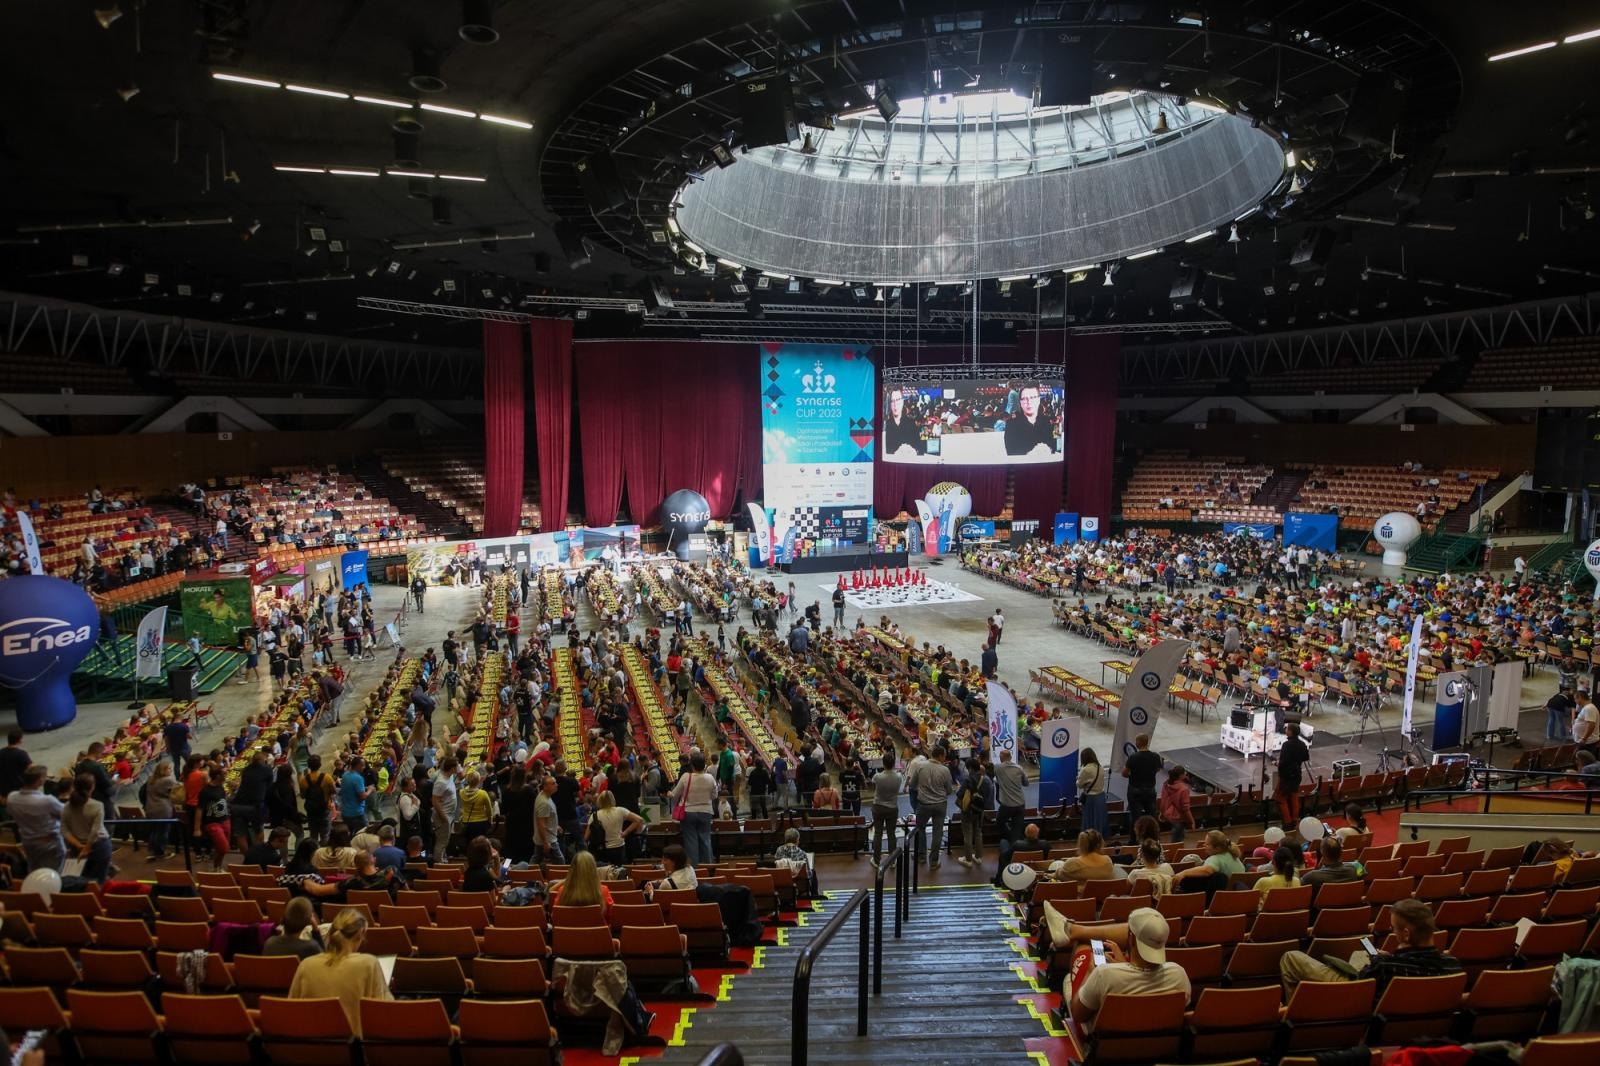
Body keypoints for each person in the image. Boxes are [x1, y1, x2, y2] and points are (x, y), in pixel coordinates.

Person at [1279, 898, 1462, 998]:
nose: (1392, 931)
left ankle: (1299, 1012)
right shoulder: (1453, 966)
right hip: (1410, 1017)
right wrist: (1390, 956)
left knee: (1290, 957)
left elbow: (1363, 981)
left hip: (1357, 993)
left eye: (1393, 928)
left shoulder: (1386, 967)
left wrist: (1381, 961)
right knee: (1361, 953)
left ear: (1406, 934)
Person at [1068, 908, 1191, 1032]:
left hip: (1108, 1047)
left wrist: (1090, 972)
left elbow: (1078, 1015)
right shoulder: (1179, 974)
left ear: (1131, 938)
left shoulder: (1104, 974)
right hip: (1159, 1047)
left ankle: (1073, 931)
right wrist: (1125, 965)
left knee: (1082, 946)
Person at [288, 909, 393, 1035]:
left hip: (311, 1047)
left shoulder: (306, 964)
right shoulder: (369, 963)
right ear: (361, 933)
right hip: (354, 1048)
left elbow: (292, 1010)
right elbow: (386, 1012)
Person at [8, 765, 64, 874]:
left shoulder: (12, 797)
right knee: (54, 873)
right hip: (49, 843)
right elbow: (65, 815)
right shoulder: (46, 801)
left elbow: (12, 813)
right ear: (40, 780)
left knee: (34, 871)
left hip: (27, 841)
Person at [61, 772, 113, 883]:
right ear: (92, 787)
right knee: (99, 880)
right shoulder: (97, 805)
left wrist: (79, 845)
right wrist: (87, 847)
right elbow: (95, 830)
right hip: (98, 846)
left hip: (76, 847)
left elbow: (64, 830)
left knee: (79, 880)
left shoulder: (67, 806)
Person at [910, 744, 954, 870]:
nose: (945, 758)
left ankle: (921, 856)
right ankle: (934, 861)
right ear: (940, 756)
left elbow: (912, 785)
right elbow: (950, 791)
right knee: (937, 832)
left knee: (920, 828)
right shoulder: (945, 770)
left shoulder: (920, 766)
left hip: (923, 804)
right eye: (944, 755)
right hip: (940, 805)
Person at [670, 751, 719, 865]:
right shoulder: (710, 778)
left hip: (688, 812)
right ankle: (708, 868)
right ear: (704, 764)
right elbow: (714, 795)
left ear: (691, 765)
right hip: (706, 812)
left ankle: (694, 869)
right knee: (705, 840)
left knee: (691, 841)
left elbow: (675, 794)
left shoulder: (686, 777)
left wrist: (669, 794)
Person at [1170, 830, 1245, 896]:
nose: (1204, 845)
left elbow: (1207, 870)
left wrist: (1184, 873)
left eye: (1207, 844)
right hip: (1236, 895)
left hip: (1222, 897)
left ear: (1217, 848)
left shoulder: (1215, 859)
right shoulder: (1232, 854)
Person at [550, 850, 615, 924]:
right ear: (593, 869)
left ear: (572, 869)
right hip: (597, 935)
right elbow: (610, 918)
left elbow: (555, 917)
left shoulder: (562, 890)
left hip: (568, 934)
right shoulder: (603, 890)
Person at [590, 790, 644, 866]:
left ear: (600, 800)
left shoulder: (595, 815)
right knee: (618, 872)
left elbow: (586, 836)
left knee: (603, 872)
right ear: (613, 799)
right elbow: (639, 820)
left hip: (602, 848)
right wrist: (625, 832)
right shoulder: (620, 810)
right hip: (618, 846)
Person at [957, 757, 993, 870]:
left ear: (971, 768)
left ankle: (968, 859)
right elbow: (987, 796)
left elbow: (959, 795)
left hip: (968, 811)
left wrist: (960, 788)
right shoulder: (986, 780)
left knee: (967, 834)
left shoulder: (968, 780)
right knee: (978, 833)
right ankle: (978, 857)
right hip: (980, 810)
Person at [1003, 383, 1058, 457]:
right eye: (1024, 398)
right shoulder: (1011, 424)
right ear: (1020, 402)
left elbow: (1055, 446)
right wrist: (1032, 453)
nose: (1028, 402)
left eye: (1032, 397)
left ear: (1038, 400)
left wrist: (1048, 449)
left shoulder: (1047, 422)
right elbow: (1011, 452)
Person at [993, 748, 1027, 865]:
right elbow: (1026, 783)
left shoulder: (997, 768)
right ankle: (1016, 853)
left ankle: (1009, 844)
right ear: (1011, 757)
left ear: (1002, 758)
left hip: (1007, 805)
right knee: (1017, 829)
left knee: (999, 823)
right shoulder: (1020, 768)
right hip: (1021, 804)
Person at [1121, 733, 1161, 829]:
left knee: (1135, 817)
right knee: (1152, 815)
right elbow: (1158, 769)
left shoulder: (1133, 757)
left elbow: (1124, 773)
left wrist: (1133, 775)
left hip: (1135, 790)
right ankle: (1154, 836)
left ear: (1138, 743)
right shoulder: (1155, 756)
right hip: (1150, 789)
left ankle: (1134, 840)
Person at [1275, 722, 1310, 825]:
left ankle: (1287, 821)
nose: (1285, 730)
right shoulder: (1302, 744)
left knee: (1280, 798)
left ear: (1290, 732)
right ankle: (1295, 819)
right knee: (1294, 797)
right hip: (1297, 775)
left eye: (1287, 729)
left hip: (1286, 776)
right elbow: (1306, 757)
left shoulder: (1286, 745)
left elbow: (1283, 762)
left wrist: (1277, 764)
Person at [1057, 830, 1124, 883]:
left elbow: (1059, 875)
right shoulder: (1108, 861)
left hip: (1079, 899)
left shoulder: (1072, 863)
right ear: (1099, 844)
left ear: (1081, 845)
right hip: (1103, 898)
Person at [870, 754, 902, 856]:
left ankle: (876, 859)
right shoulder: (899, 777)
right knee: (891, 834)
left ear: (883, 764)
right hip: (892, 808)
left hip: (878, 807)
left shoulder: (877, 777)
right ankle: (892, 860)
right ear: (893, 764)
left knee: (878, 833)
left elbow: (873, 786)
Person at [883, 388, 926, 456]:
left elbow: (919, 448)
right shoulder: (886, 425)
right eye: (892, 401)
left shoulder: (911, 424)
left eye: (897, 400)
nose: (895, 404)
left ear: (902, 402)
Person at [1158, 765, 1195, 843]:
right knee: (1177, 840)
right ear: (1181, 776)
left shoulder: (1166, 784)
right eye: (1184, 773)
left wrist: (1162, 812)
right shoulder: (1183, 789)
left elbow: (1163, 799)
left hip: (1167, 814)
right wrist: (1191, 821)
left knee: (1177, 836)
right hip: (1178, 817)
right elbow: (1185, 808)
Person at [534, 773, 564, 865]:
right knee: (560, 862)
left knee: (536, 860)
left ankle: (527, 875)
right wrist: (546, 842)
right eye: (553, 783)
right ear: (545, 786)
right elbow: (541, 824)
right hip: (549, 839)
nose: (556, 785)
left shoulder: (544, 795)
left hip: (545, 837)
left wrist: (556, 826)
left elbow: (547, 817)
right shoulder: (544, 802)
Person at [1077, 748, 1108, 837]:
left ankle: (1089, 840)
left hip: (1091, 799)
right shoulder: (1100, 767)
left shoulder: (1086, 770)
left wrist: (1077, 779)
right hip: (1101, 797)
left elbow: (1079, 785)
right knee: (1099, 820)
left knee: (1089, 821)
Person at [0, 729, 30, 799]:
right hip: (18, 788)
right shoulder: (21, 754)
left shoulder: (1, 752)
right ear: (19, 740)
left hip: (3, 787)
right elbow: (32, 768)